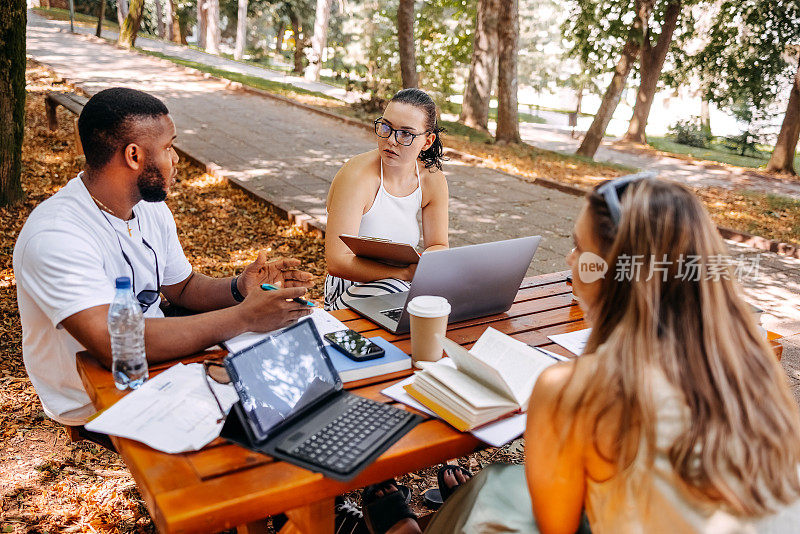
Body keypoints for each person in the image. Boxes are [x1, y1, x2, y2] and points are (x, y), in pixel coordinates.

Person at [363, 177, 800, 533]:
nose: (570, 259)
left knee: (493, 488)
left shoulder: (575, 389)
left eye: (577, 247)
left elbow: (557, 526)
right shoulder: (752, 363)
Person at [13, 87, 314, 428]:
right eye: (169, 147)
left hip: (162, 365)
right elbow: (114, 345)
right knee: (256, 427)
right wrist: (244, 318)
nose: (176, 160)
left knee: (289, 389)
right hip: (97, 394)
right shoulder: (55, 236)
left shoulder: (147, 208)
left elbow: (182, 288)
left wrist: (240, 288)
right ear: (134, 156)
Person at [323, 88, 449, 310]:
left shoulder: (431, 180)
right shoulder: (357, 176)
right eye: (386, 127)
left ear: (427, 142)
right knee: (408, 300)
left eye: (405, 134)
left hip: (400, 285)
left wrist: (423, 268)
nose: (391, 140)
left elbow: (439, 245)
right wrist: (402, 274)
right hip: (348, 290)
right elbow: (336, 261)